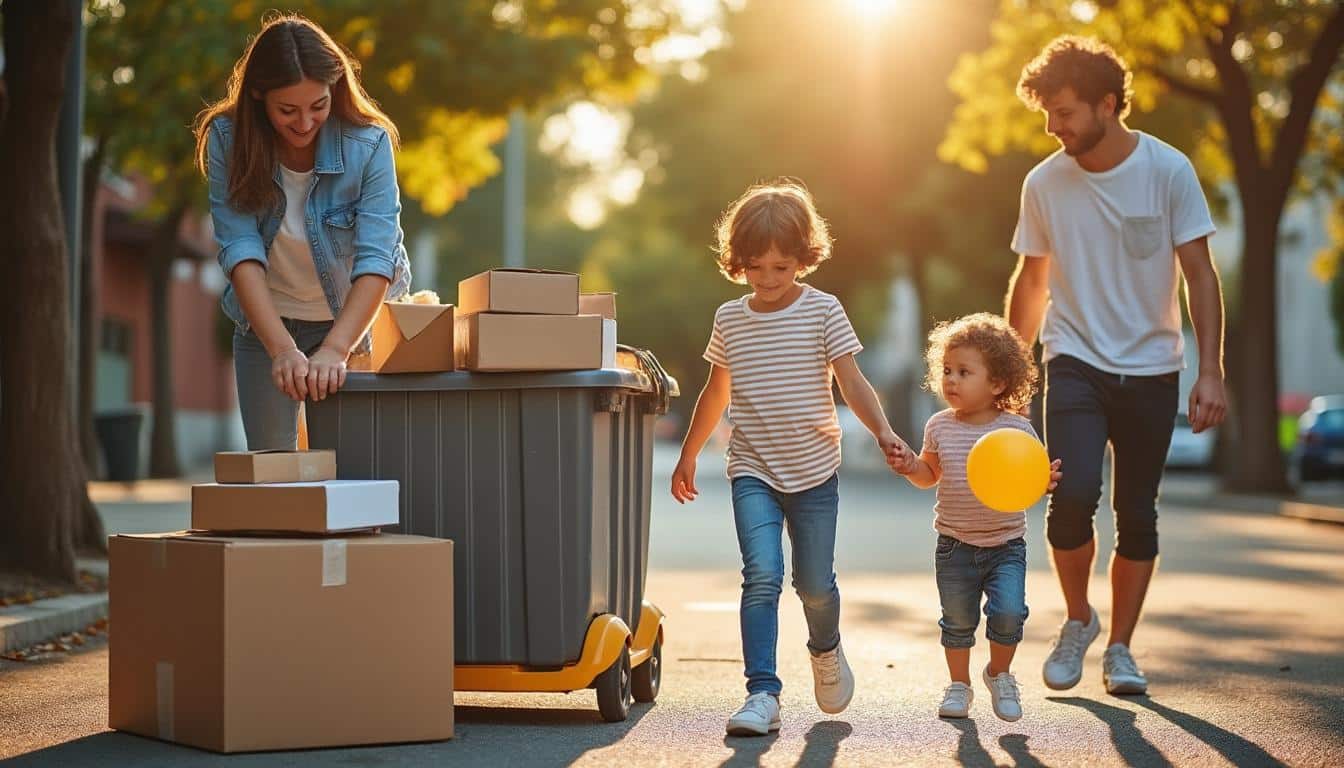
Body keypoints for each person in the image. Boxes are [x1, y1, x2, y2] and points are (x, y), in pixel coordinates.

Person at [1007, 35, 1228, 695]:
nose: (1055, 127)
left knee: (1138, 512)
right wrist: (1012, 377)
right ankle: (1079, 620)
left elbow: (1199, 273)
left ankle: (1123, 648)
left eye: (1067, 112)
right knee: (1070, 498)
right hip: (1073, 357)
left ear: (1109, 103)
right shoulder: (1044, 182)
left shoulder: (1168, 171)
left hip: (1154, 366)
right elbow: (1031, 278)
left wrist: (1210, 370)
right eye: (1048, 114)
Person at [670, 179, 907, 737]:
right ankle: (762, 693)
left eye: (781, 266)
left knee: (815, 585)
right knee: (762, 576)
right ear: (738, 263)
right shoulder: (730, 319)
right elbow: (715, 392)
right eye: (756, 267)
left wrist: (883, 432)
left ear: (803, 258)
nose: (769, 280)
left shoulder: (824, 311)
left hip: (814, 472)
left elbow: (852, 381)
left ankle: (825, 649)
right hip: (751, 467)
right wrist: (688, 453)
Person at [194, 13, 411, 449]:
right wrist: (280, 349)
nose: (305, 123)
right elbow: (239, 248)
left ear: (335, 90)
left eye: (319, 106)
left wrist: (336, 348)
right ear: (258, 97)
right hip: (268, 324)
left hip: (357, 322)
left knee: (359, 477)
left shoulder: (369, 144)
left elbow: (376, 258)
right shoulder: (227, 138)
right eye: (287, 110)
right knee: (276, 476)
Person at [890, 313, 1062, 722]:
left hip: (1006, 545)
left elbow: (1026, 481)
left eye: (964, 372)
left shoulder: (1017, 429)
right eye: (946, 370)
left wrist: (1043, 481)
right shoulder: (940, 426)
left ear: (998, 382)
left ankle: (999, 674)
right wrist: (909, 465)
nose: (951, 380)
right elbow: (928, 476)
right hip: (954, 545)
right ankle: (959, 685)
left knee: (1009, 613)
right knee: (957, 621)